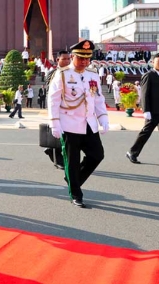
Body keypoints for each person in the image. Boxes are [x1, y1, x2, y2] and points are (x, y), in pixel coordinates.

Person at [48, 40, 108, 208]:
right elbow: (52, 100)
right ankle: (76, 193)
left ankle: (73, 179)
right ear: (73, 56)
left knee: (97, 155)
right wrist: (54, 122)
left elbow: (98, 98)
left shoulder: (93, 75)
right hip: (69, 123)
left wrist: (103, 116)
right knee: (72, 161)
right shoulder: (62, 74)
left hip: (89, 123)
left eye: (87, 59)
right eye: (81, 58)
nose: (84, 62)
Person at [43, 50, 70, 169]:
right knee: (57, 134)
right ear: (57, 60)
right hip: (57, 108)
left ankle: (55, 153)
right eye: (64, 59)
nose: (67, 61)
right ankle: (56, 158)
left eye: (69, 59)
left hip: (69, 109)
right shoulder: (53, 73)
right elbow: (50, 93)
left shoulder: (72, 72)